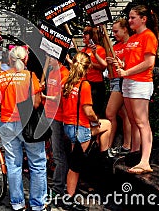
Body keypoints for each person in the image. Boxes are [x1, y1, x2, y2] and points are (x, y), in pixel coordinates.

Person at [0, 46, 47, 211]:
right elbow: (37, 103)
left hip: (7, 123)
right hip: (28, 124)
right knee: (37, 163)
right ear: (25, 59)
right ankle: (38, 204)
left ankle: (17, 203)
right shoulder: (31, 77)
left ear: (10, 59)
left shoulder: (0, 77)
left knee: (13, 163)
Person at [62, 52, 112, 210]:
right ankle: (104, 156)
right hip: (81, 129)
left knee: (74, 163)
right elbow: (88, 111)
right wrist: (96, 120)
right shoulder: (84, 85)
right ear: (88, 67)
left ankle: (70, 193)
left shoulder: (66, 82)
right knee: (107, 125)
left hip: (68, 127)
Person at [117, 5, 159, 174]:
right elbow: (133, 62)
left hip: (140, 83)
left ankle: (145, 160)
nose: (129, 20)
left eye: (133, 17)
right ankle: (135, 154)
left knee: (142, 121)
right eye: (129, 17)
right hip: (129, 81)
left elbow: (149, 63)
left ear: (144, 19)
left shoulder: (148, 36)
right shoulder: (134, 37)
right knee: (133, 120)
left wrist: (126, 71)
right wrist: (122, 66)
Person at [42, 56, 69, 204]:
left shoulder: (64, 74)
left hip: (58, 117)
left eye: (50, 57)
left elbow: (60, 97)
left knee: (59, 154)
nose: (47, 59)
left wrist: (45, 96)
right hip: (49, 114)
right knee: (52, 151)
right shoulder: (51, 72)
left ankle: (59, 189)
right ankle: (55, 183)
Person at [105, 19, 132, 155]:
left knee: (110, 113)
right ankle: (126, 145)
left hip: (123, 81)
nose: (114, 34)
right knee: (124, 114)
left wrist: (118, 62)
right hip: (114, 80)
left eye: (116, 31)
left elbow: (131, 65)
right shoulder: (115, 46)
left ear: (125, 29)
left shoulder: (131, 44)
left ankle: (108, 146)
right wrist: (109, 62)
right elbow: (109, 67)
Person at [81, 26, 108, 118]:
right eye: (83, 33)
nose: (83, 35)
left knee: (96, 111)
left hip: (96, 84)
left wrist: (91, 64)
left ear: (92, 36)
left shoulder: (99, 49)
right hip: (84, 84)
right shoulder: (82, 50)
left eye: (86, 34)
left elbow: (103, 67)